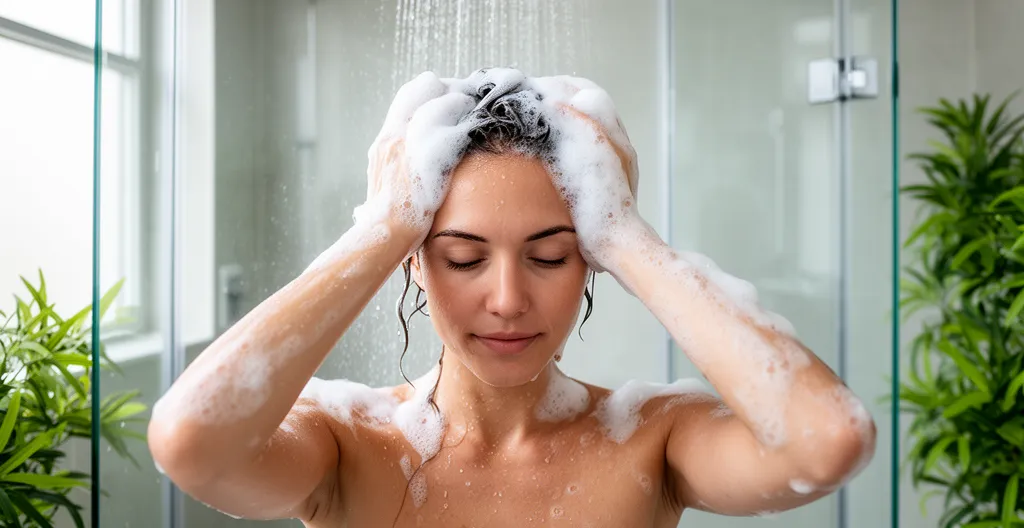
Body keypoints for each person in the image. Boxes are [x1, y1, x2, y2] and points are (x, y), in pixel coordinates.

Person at [148, 68, 876, 527]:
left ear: (588, 261)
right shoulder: (348, 447)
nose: (507, 299)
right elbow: (190, 442)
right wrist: (384, 228)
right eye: (463, 257)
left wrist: (626, 235)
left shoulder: (653, 443)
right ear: (414, 264)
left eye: (551, 255)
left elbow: (828, 438)